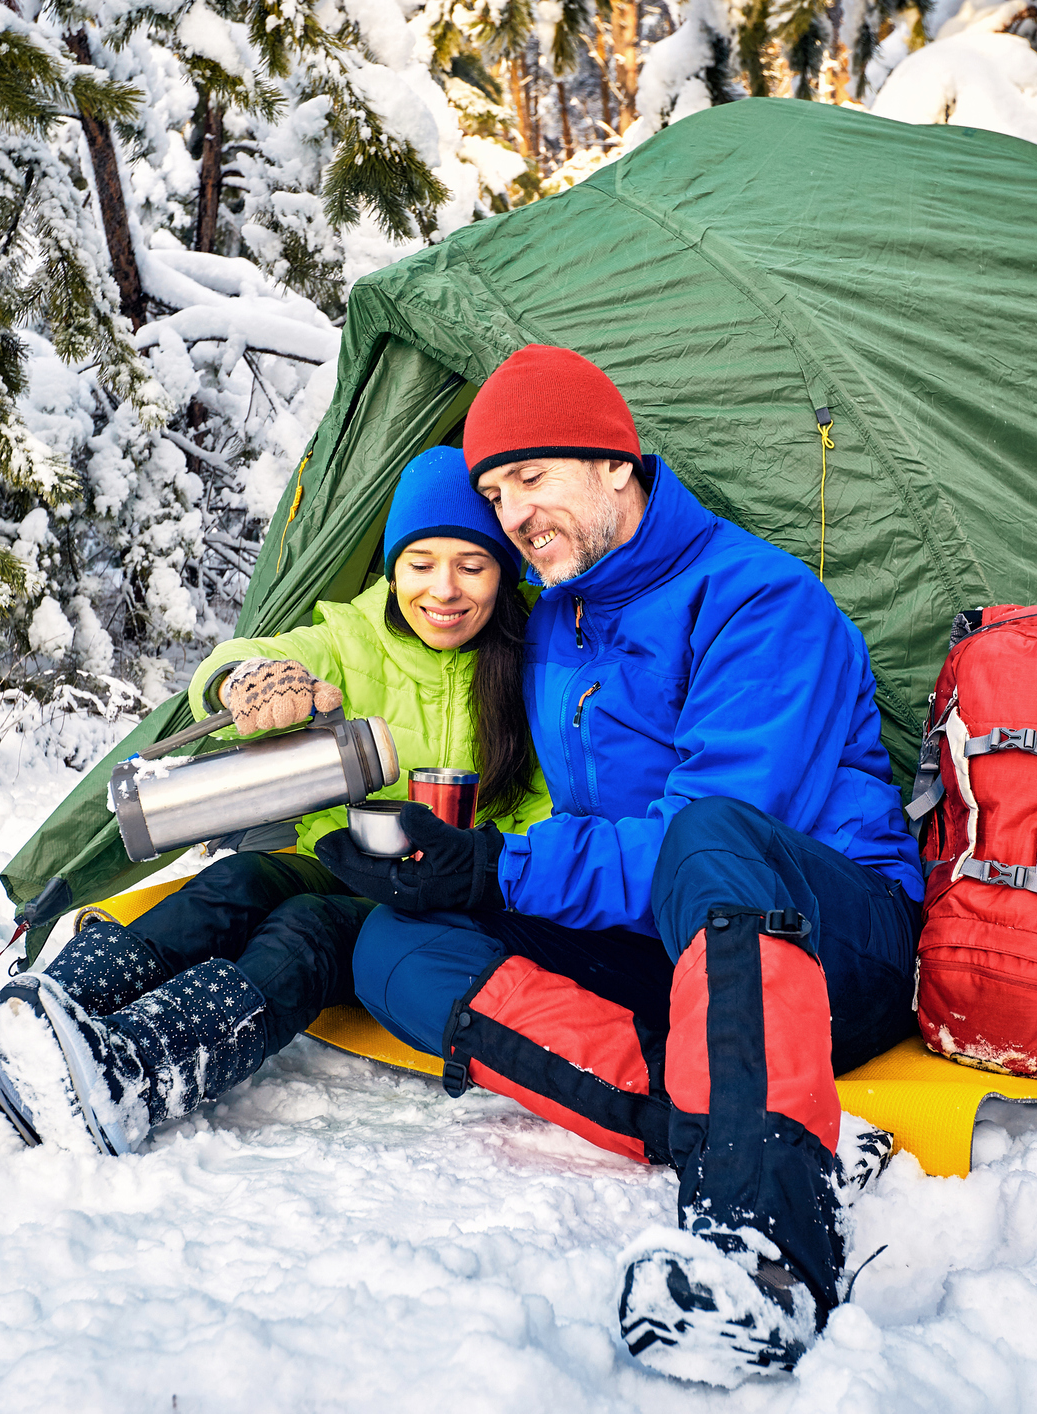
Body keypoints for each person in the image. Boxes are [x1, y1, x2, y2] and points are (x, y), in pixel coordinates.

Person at [317, 347, 923, 1386]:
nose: (513, 516)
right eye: (498, 493)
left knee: (708, 834)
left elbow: (698, 834)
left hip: (830, 938)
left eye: (533, 480)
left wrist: (502, 866)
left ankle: (766, 1236)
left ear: (613, 464)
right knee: (396, 940)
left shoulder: (761, 602)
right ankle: (697, 1116)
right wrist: (451, 865)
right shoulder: (560, 614)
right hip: (669, 944)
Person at [0, 446, 550, 1154]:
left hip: (443, 899)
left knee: (305, 929)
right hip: (340, 858)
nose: (443, 590)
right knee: (236, 879)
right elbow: (237, 657)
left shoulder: (533, 662)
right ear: (393, 568)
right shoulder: (354, 635)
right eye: (420, 564)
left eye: (472, 565)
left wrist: (482, 869)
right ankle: (38, 1016)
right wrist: (249, 680)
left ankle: (135, 1071)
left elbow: (550, 815)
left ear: (503, 571)